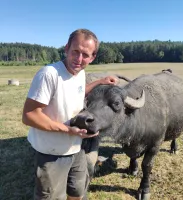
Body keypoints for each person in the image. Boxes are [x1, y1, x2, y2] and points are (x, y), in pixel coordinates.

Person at [22, 28, 119, 200]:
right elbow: (29, 115)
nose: (79, 59)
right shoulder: (49, 74)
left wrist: (100, 82)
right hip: (51, 152)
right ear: (66, 48)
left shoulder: (80, 73)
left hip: (75, 148)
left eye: (85, 55)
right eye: (75, 51)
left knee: (77, 192)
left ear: (93, 57)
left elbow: (77, 92)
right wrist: (68, 130)